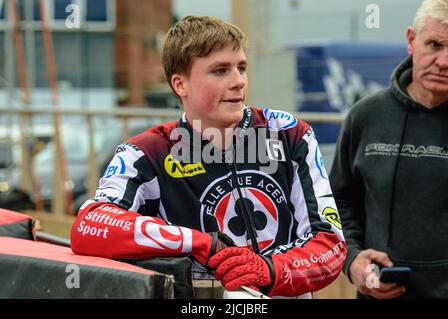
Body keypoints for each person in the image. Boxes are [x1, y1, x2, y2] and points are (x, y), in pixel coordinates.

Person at [71, 16, 346, 298]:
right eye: (220, 71)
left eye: (241, 68)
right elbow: (90, 226)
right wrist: (199, 243)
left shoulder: (289, 133)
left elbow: (331, 245)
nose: (238, 82)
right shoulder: (147, 151)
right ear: (181, 85)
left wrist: (269, 269)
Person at [330, 0, 448, 299]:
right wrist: (353, 260)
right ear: (411, 40)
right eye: (434, 44)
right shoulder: (365, 117)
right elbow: (337, 205)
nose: (444, 61)